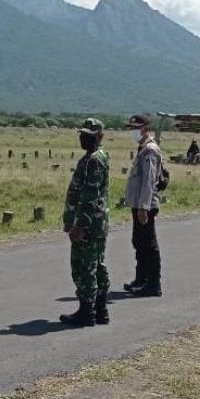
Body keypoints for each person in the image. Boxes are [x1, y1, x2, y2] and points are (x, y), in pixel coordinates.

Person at [60, 118, 111, 327]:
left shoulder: (93, 161)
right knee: (96, 264)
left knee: (84, 266)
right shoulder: (98, 157)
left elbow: (90, 195)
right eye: (82, 134)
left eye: (88, 135)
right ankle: (100, 309)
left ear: (99, 136)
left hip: (89, 224)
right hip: (97, 223)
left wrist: (80, 225)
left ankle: (86, 311)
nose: (83, 138)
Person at [123, 113, 163, 297]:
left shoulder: (149, 150)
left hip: (144, 204)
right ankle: (141, 279)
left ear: (145, 128)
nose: (133, 131)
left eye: (135, 128)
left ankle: (153, 283)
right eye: (131, 128)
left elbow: (148, 180)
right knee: (139, 242)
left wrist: (144, 207)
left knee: (148, 243)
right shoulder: (142, 148)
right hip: (139, 202)